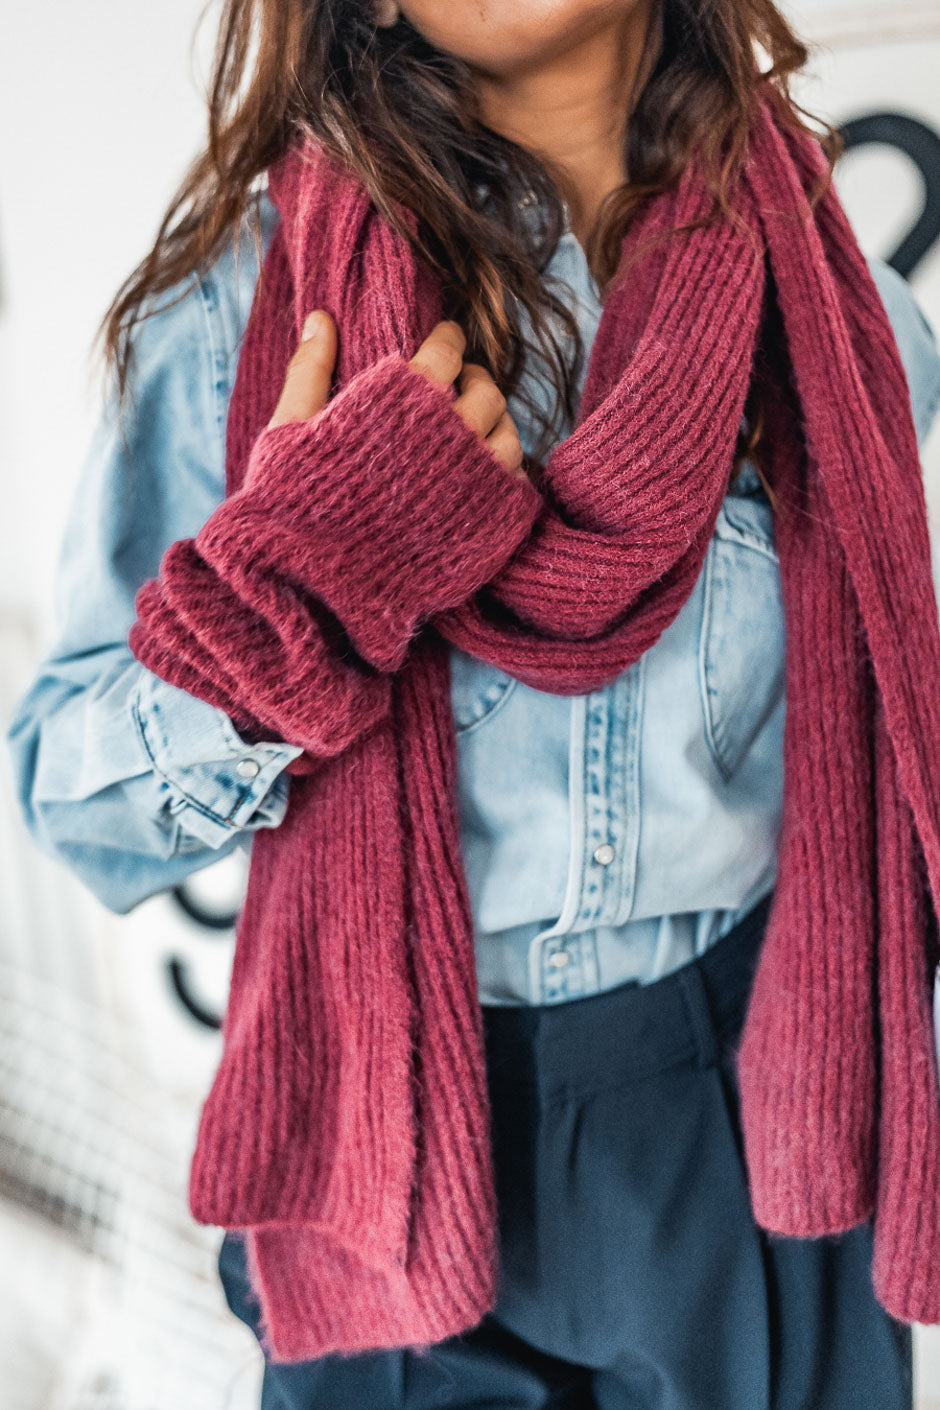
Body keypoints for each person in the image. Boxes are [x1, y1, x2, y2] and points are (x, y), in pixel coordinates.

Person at [9, 2, 940, 1407]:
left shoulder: (815, 297)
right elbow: (70, 798)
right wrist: (314, 572)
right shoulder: (239, 310)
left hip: (751, 1104)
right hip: (375, 1125)